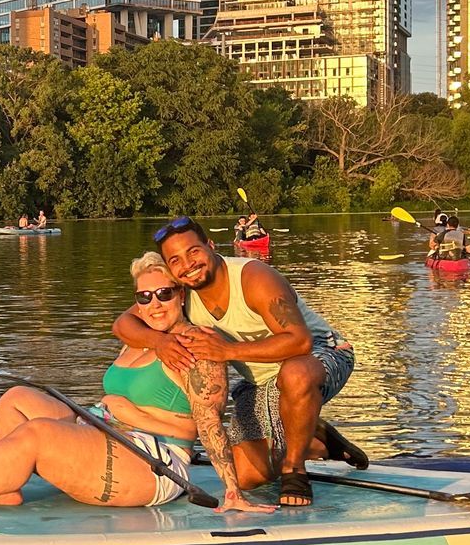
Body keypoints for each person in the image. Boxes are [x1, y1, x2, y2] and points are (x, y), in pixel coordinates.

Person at [0, 254, 198, 512]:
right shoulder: (138, 337)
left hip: (156, 460)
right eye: (144, 296)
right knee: (15, 398)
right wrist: (113, 412)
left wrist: (133, 416)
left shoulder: (193, 345)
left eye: (164, 293)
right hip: (105, 428)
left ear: (181, 294)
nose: (154, 303)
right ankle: (4, 488)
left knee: (39, 433)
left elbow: (196, 428)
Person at [116, 217, 364, 512]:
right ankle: (316, 439)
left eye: (193, 252)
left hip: (322, 356)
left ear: (211, 246)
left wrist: (227, 350)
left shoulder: (253, 277)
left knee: (295, 374)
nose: (188, 264)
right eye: (176, 260)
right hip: (261, 381)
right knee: (246, 476)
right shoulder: (181, 291)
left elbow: (300, 342)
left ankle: (295, 470)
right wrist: (160, 342)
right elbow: (123, 323)